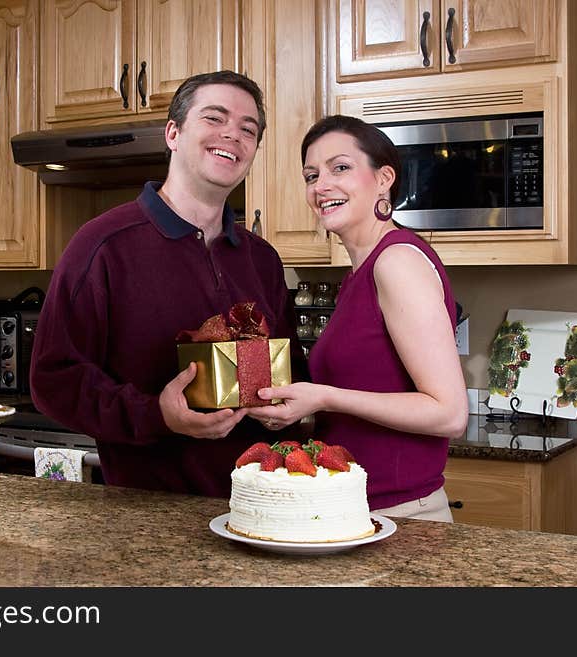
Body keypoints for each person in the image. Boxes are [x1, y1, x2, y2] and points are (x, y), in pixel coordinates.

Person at [30, 70, 307, 497]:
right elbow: (54, 379)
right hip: (149, 517)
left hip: (262, 507)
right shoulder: (102, 245)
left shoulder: (262, 259)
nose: (232, 134)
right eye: (214, 119)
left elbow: (289, 373)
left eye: (247, 129)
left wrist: (282, 407)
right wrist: (157, 415)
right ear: (173, 133)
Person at [247, 115, 468, 521]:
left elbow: (449, 413)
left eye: (341, 168)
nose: (321, 186)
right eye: (311, 175)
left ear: (384, 178)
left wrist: (325, 396)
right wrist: (300, 411)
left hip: (403, 516)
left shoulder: (396, 261)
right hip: (357, 510)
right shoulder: (359, 274)